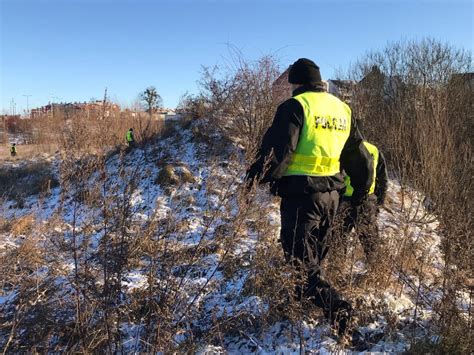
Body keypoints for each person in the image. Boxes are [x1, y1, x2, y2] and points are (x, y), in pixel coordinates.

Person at [246, 58, 373, 346]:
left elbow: (277, 152)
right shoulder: (342, 109)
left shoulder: (296, 107)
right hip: (333, 197)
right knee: (315, 257)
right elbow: (359, 156)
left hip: (302, 197)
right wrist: (362, 191)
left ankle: (337, 309)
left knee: (300, 258)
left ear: (296, 84)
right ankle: (298, 301)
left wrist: (254, 180)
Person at [341, 140, 388, 265]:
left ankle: (336, 271)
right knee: (370, 241)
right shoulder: (374, 150)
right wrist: (378, 203)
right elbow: (382, 180)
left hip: (343, 201)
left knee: (338, 241)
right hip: (367, 200)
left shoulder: (342, 146)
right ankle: (375, 272)